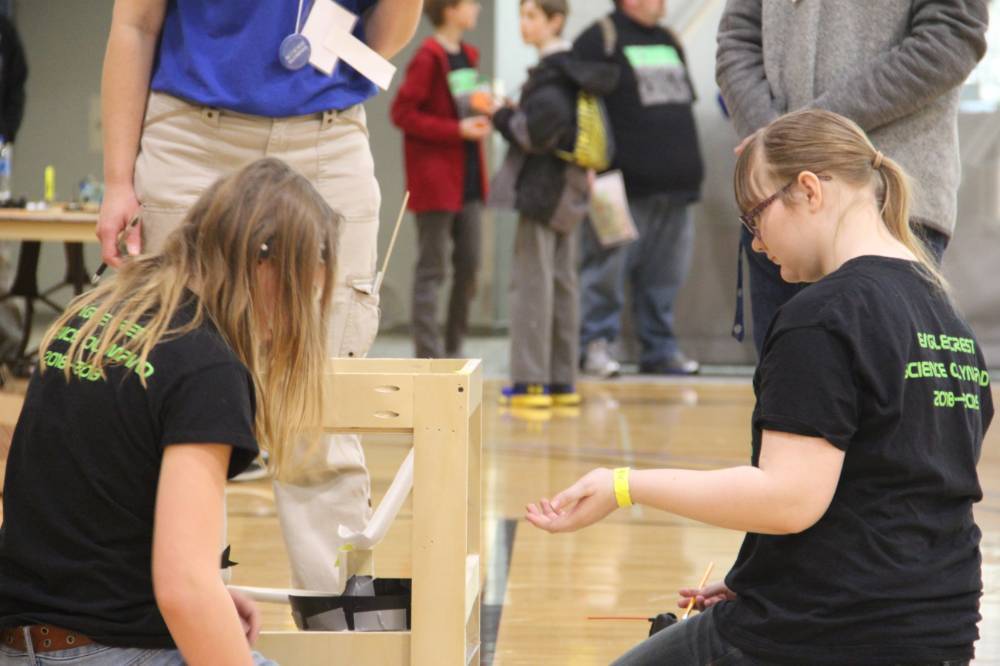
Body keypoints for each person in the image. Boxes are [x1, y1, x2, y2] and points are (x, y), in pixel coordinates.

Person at [526, 110, 994, 665]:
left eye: (756, 215)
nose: (755, 243)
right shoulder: (946, 317)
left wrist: (624, 485)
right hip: (939, 631)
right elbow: (889, 489)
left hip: (830, 629)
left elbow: (788, 499)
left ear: (809, 190)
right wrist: (760, 574)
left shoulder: (821, 316)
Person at [98, 0, 422, 595]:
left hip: (324, 136)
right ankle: (182, 606)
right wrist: (118, 179)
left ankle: (336, 619)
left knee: (321, 402)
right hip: (193, 138)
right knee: (176, 385)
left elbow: (383, 36)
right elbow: (134, 25)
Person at [0, 159, 336, 665]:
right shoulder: (205, 364)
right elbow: (184, 591)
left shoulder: (91, 316)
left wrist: (203, 601)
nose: (290, 320)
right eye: (302, 293)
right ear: (264, 265)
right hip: (102, 651)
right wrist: (201, 602)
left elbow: (89, 522)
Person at [716, 0, 989, 356]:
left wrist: (797, 135)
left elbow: (952, 36)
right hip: (776, 198)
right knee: (786, 373)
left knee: (888, 378)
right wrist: (773, 147)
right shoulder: (770, 220)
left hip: (889, 201)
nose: (757, 244)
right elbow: (737, 38)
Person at [490, 0, 617, 408]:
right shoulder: (576, 73)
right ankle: (562, 381)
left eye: (532, 16)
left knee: (532, 283)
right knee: (563, 282)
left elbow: (535, 134)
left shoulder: (552, 75)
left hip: (543, 188)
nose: (523, 24)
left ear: (555, 21)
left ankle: (530, 382)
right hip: (572, 186)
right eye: (521, 16)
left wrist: (499, 115)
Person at [573, 0, 704, 378]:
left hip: (677, 184)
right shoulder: (599, 38)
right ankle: (595, 346)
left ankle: (660, 349)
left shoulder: (669, 39)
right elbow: (578, 105)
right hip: (616, 186)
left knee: (665, 278)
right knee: (604, 273)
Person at [390, 0, 489, 359]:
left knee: (470, 265)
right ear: (450, 9)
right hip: (437, 180)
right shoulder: (428, 57)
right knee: (432, 268)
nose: (477, 8)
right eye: (469, 3)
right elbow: (402, 113)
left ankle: (453, 348)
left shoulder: (468, 55)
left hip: (469, 178)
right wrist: (455, 129)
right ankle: (429, 355)